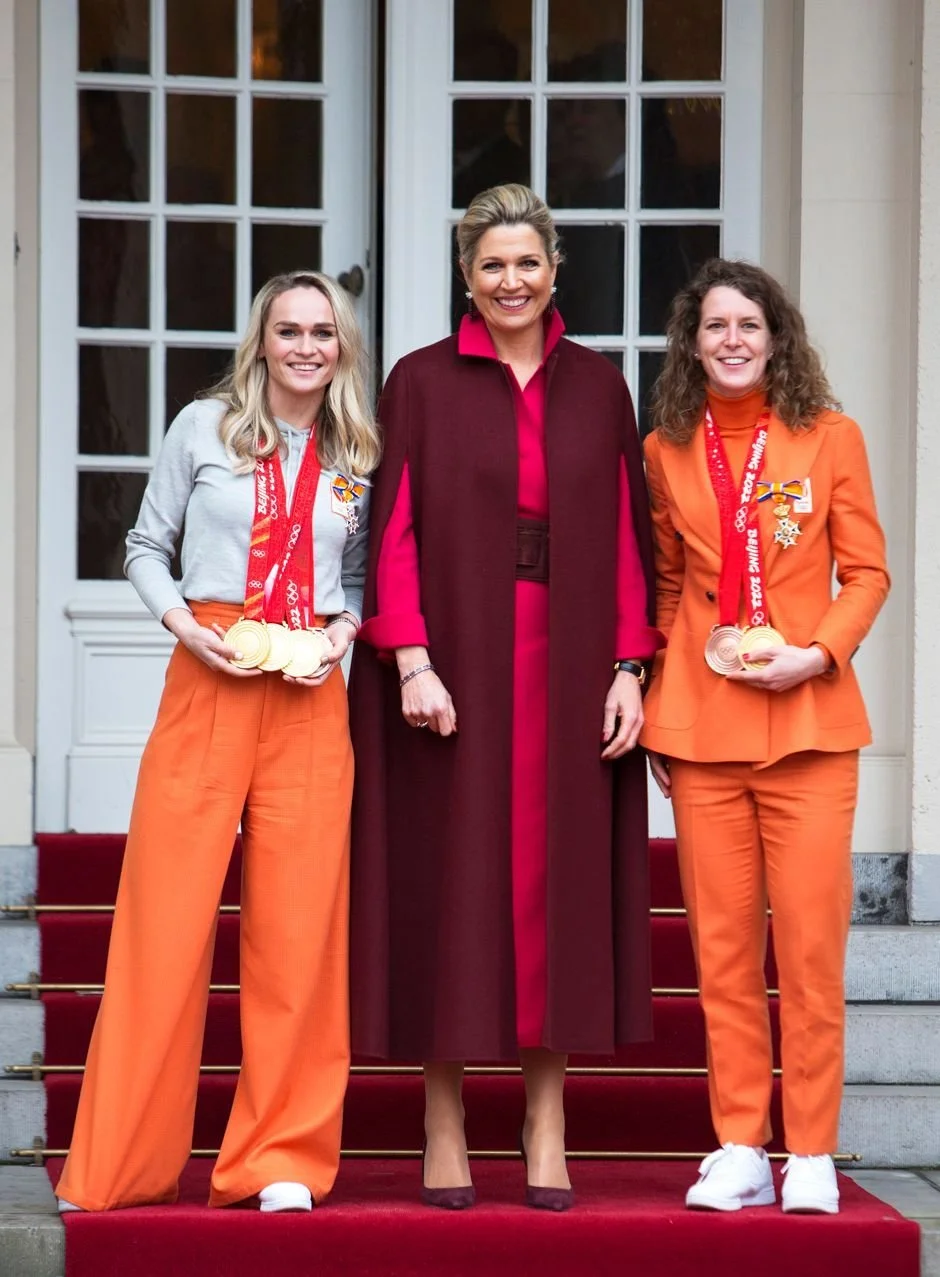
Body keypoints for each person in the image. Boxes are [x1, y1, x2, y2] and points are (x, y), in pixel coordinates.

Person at [348, 184, 662, 1211]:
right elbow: (389, 533)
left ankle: (545, 1117)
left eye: (527, 262)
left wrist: (629, 667)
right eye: (491, 265)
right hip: (455, 667)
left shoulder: (600, 388)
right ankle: (442, 1117)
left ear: (556, 269)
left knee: (552, 890)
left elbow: (627, 538)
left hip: (569, 662)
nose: (511, 281)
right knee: (453, 883)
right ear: (465, 278)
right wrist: (410, 657)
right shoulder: (421, 383)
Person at [55, 270, 379, 1213]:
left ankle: (279, 1158)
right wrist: (181, 626)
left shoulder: (357, 449)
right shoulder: (202, 428)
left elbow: (356, 576)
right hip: (207, 672)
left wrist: (340, 636)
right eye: (290, 330)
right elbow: (144, 545)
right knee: (164, 920)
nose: (307, 347)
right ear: (262, 340)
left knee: (299, 937)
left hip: (310, 697)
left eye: (324, 331)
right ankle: (121, 1161)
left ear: (341, 346)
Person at [641, 258, 889, 1215]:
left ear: (776, 337)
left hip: (810, 727)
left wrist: (816, 654)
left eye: (749, 324)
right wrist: (656, 700)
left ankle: (813, 1150)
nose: (733, 341)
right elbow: (667, 587)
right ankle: (741, 1141)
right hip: (704, 730)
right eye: (715, 328)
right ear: (692, 344)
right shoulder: (666, 446)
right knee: (724, 951)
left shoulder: (830, 437)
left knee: (812, 949)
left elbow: (866, 573)